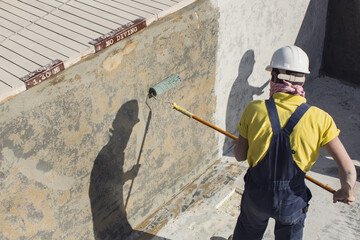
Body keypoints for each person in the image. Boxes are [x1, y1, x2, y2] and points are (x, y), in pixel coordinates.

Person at [231, 46, 357, 240]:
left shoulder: (254, 109)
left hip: (256, 197)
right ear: (303, 79)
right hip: (291, 201)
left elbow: (239, 155)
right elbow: (348, 169)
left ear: (274, 77)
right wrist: (346, 192)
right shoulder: (319, 118)